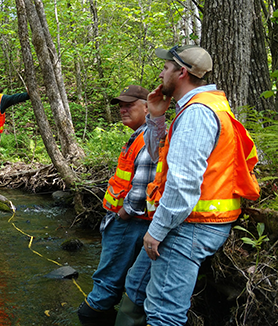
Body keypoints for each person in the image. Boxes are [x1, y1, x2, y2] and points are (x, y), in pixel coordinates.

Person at [116, 45, 260, 326]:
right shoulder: (201, 107)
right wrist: (156, 117)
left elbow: (183, 187)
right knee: (135, 285)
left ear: (181, 72)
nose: (161, 72)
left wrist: (155, 231)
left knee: (164, 311)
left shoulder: (197, 114)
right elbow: (162, 158)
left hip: (192, 225)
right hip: (188, 220)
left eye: (166, 68)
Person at [77, 86, 155, 326]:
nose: (123, 109)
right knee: (120, 276)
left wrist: (122, 214)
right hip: (128, 221)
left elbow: (142, 185)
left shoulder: (147, 138)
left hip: (130, 222)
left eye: (129, 104)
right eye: (121, 105)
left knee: (108, 278)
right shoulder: (140, 135)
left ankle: (95, 309)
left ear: (147, 106)